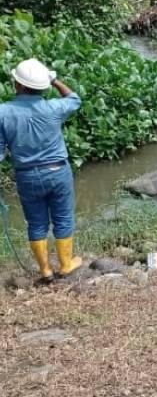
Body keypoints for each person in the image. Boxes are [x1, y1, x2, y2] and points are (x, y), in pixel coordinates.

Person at [0, 58, 83, 283]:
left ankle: (45, 270)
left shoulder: (3, 112)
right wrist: (55, 80)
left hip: (27, 176)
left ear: (17, 85)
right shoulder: (53, 107)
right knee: (63, 218)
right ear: (43, 86)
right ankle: (66, 265)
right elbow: (75, 99)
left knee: (36, 223)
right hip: (58, 171)